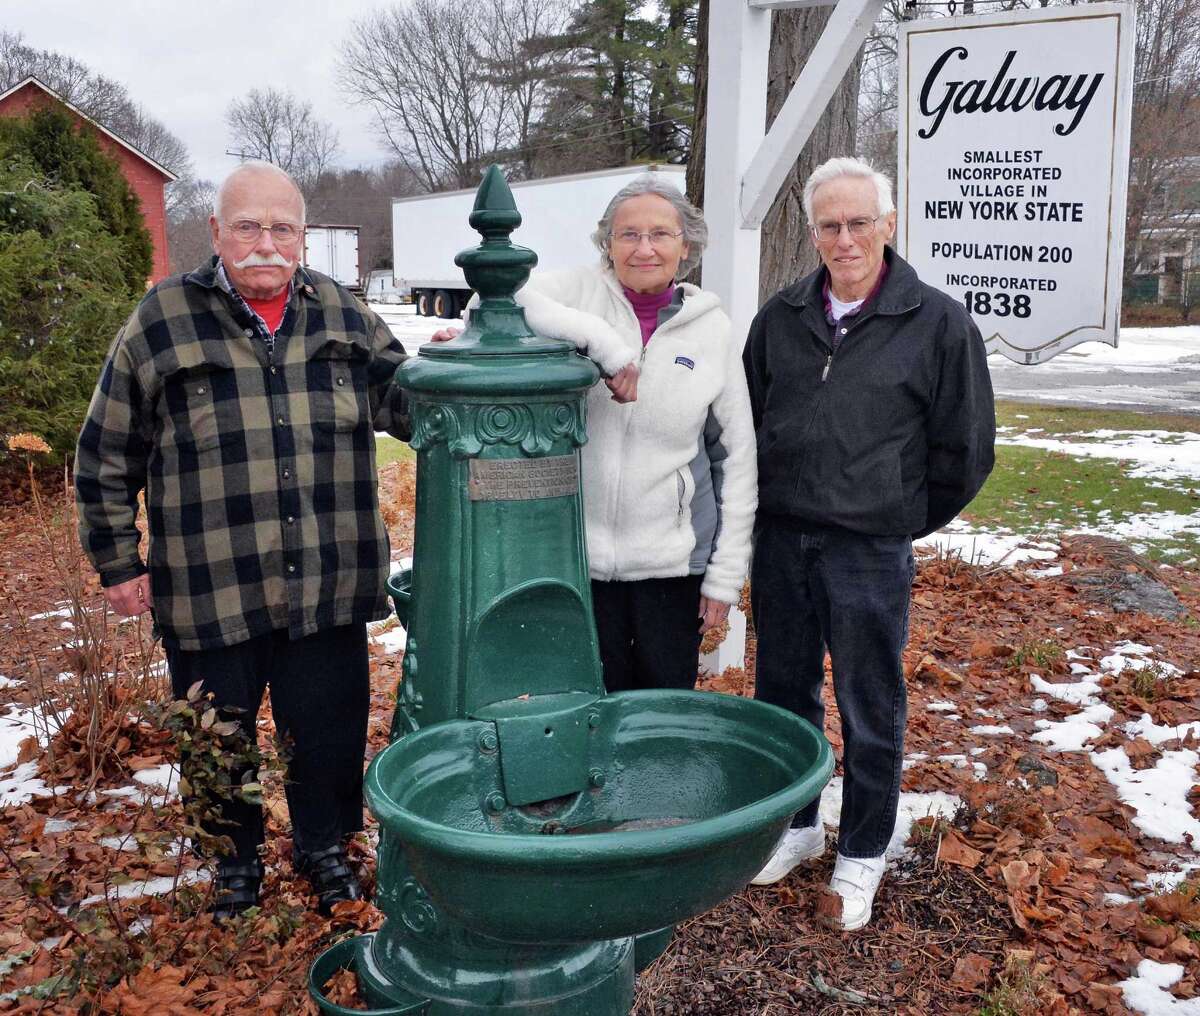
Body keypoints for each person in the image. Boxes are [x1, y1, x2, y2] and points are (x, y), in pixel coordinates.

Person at [74, 161, 411, 920]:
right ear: (217, 231)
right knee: (216, 734)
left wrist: (468, 373)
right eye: (249, 226)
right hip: (210, 581)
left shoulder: (342, 314)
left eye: (282, 228)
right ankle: (234, 862)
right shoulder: (163, 318)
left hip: (326, 578)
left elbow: (409, 401)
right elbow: (105, 450)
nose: (267, 242)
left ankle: (324, 848)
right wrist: (117, 562)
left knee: (326, 729)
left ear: (302, 235)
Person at [743, 157, 995, 930]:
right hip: (782, 540)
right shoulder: (781, 318)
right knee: (783, 696)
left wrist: (894, 516)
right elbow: (750, 424)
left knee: (870, 702)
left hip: (868, 548)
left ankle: (862, 851)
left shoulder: (938, 322)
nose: (844, 238)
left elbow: (966, 450)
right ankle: (795, 825)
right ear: (814, 230)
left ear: (889, 224)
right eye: (830, 224)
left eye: (859, 222)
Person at [433, 174, 756, 692]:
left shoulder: (711, 329)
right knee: (584, 702)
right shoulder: (579, 294)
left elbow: (736, 460)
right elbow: (491, 301)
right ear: (607, 243)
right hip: (573, 561)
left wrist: (723, 576)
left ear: (686, 244)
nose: (643, 248)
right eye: (628, 234)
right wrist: (604, 345)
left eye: (660, 234)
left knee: (659, 709)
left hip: (671, 568)